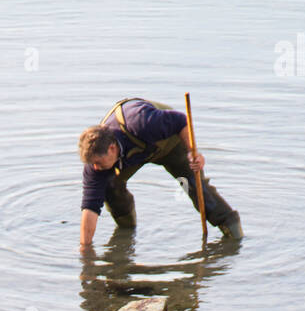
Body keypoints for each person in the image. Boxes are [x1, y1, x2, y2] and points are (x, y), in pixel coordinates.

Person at [78, 96, 242, 247]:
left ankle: (234, 233)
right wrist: (85, 252)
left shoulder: (142, 123)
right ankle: (126, 233)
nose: (96, 168)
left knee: (194, 185)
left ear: (111, 148)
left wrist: (193, 152)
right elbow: (90, 208)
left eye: (98, 163)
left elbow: (181, 121)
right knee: (109, 187)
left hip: (169, 143)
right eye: (93, 164)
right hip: (133, 155)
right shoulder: (95, 163)